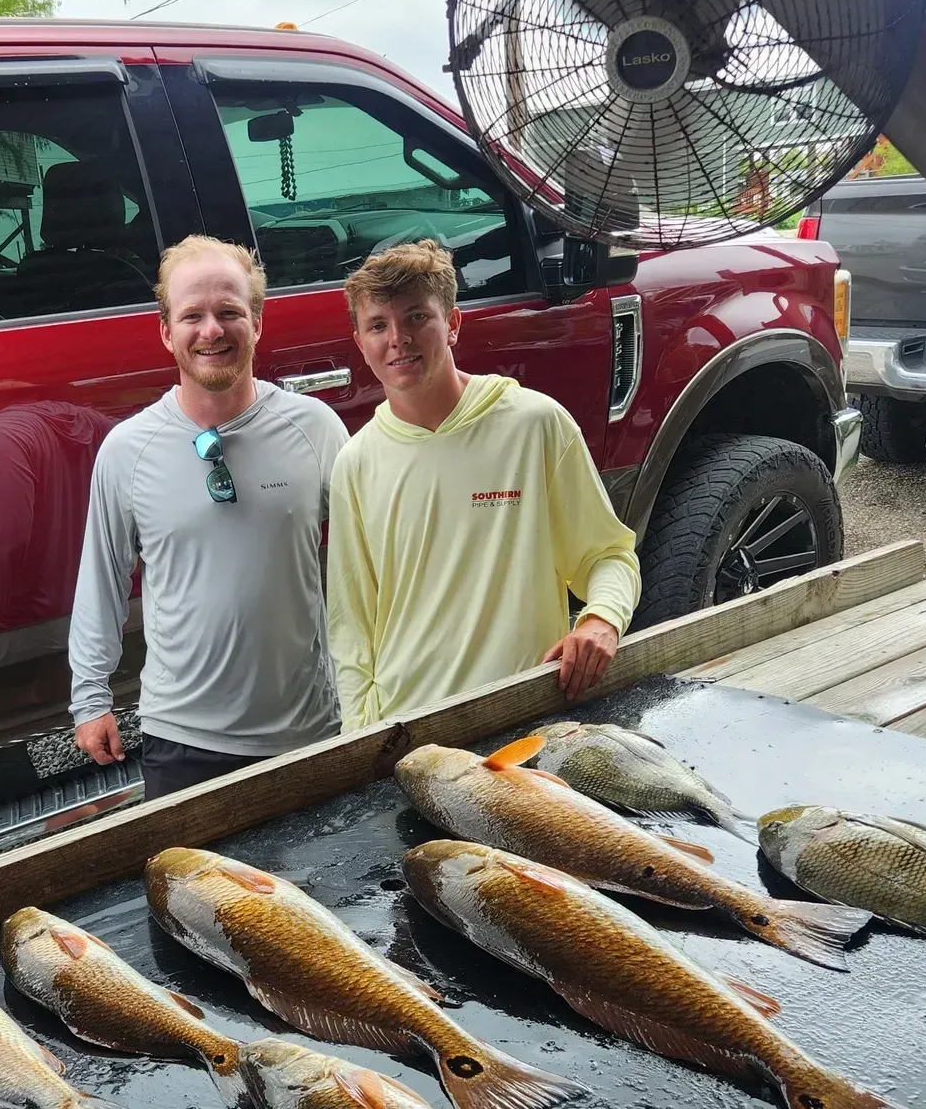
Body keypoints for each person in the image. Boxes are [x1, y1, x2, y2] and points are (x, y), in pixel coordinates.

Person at [70, 235, 349, 802]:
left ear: (259, 322)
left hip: (308, 730)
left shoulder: (314, 428)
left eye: (229, 312)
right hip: (181, 739)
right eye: (191, 315)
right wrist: (90, 697)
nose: (212, 331)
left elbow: (370, 565)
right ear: (166, 331)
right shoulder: (128, 449)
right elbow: (101, 579)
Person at [326, 240, 640, 730]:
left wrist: (602, 618)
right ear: (360, 341)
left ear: (452, 324)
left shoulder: (535, 425)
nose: (398, 339)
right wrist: (361, 738)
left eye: (416, 318)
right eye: (378, 325)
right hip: (410, 733)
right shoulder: (355, 462)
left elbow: (609, 555)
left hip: (528, 714)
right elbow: (351, 626)